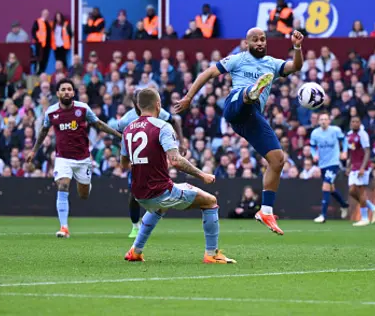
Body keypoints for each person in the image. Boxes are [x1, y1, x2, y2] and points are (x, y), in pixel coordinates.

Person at [175, 28, 304, 235]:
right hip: (234, 107)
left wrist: (297, 47)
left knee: (278, 159)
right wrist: (189, 97)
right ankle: (249, 92)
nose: (260, 43)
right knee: (245, 96)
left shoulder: (272, 63)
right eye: (255, 40)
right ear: (247, 43)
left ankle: (266, 211)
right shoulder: (237, 60)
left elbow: (296, 66)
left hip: (251, 119)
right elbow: (208, 73)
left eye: (263, 39)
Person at [121, 88, 235, 264]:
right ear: (158, 105)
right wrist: (202, 174)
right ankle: (211, 254)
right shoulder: (162, 126)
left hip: (139, 194)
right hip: (161, 191)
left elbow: (124, 164)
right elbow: (176, 160)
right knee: (210, 201)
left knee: (159, 207)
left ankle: (135, 251)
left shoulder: (128, 129)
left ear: (138, 106)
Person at [26, 78, 122, 238]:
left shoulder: (83, 109)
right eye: (63, 89)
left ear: (73, 92)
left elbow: (98, 124)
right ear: (57, 93)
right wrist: (34, 150)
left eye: (69, 89)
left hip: (83, 159)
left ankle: (86, 184)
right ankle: (64, 227)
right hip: (63, 158)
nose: (66, 92)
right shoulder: (51, 112)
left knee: (83, 194)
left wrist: (119, 135)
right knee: (63, 186)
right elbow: (44, 131)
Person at [115, 90, 184, 238]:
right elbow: (119, 133)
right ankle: (135, 226)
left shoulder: (158, 113)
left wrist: (182, 142)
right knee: (134, 193)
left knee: (158, 189)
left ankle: (149, 221)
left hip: (153, 159)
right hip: (137, 162)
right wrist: (125, 149)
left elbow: (173, 121)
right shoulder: (127, 119)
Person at [310, 112, 350, 223]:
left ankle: (323, 215)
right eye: (321, 119)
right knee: (331, 189)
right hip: (322, 164)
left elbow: (344, 140)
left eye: (325, 119)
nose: (323, 121)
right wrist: (314, 155)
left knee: (326, 186)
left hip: (333, 163)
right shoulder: (315, 133)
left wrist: (344, 151)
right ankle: (344, 204)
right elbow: (312, 147)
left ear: (329, 121)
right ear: (318, 121)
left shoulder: (335, 130)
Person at [346, 115, 375, 226]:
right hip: (354, 166)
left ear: (360, 123)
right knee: (352, 191)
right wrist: (348, 165)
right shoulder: (349, 135)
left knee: (360, 191)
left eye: (357, 121)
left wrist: (362, 167)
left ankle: (365, 218)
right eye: (353, 121)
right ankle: (374, 208)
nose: (355, 123)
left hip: (363, 166)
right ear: (350, 123)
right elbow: (351, 151)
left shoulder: (363, 134)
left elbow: (367, 151)